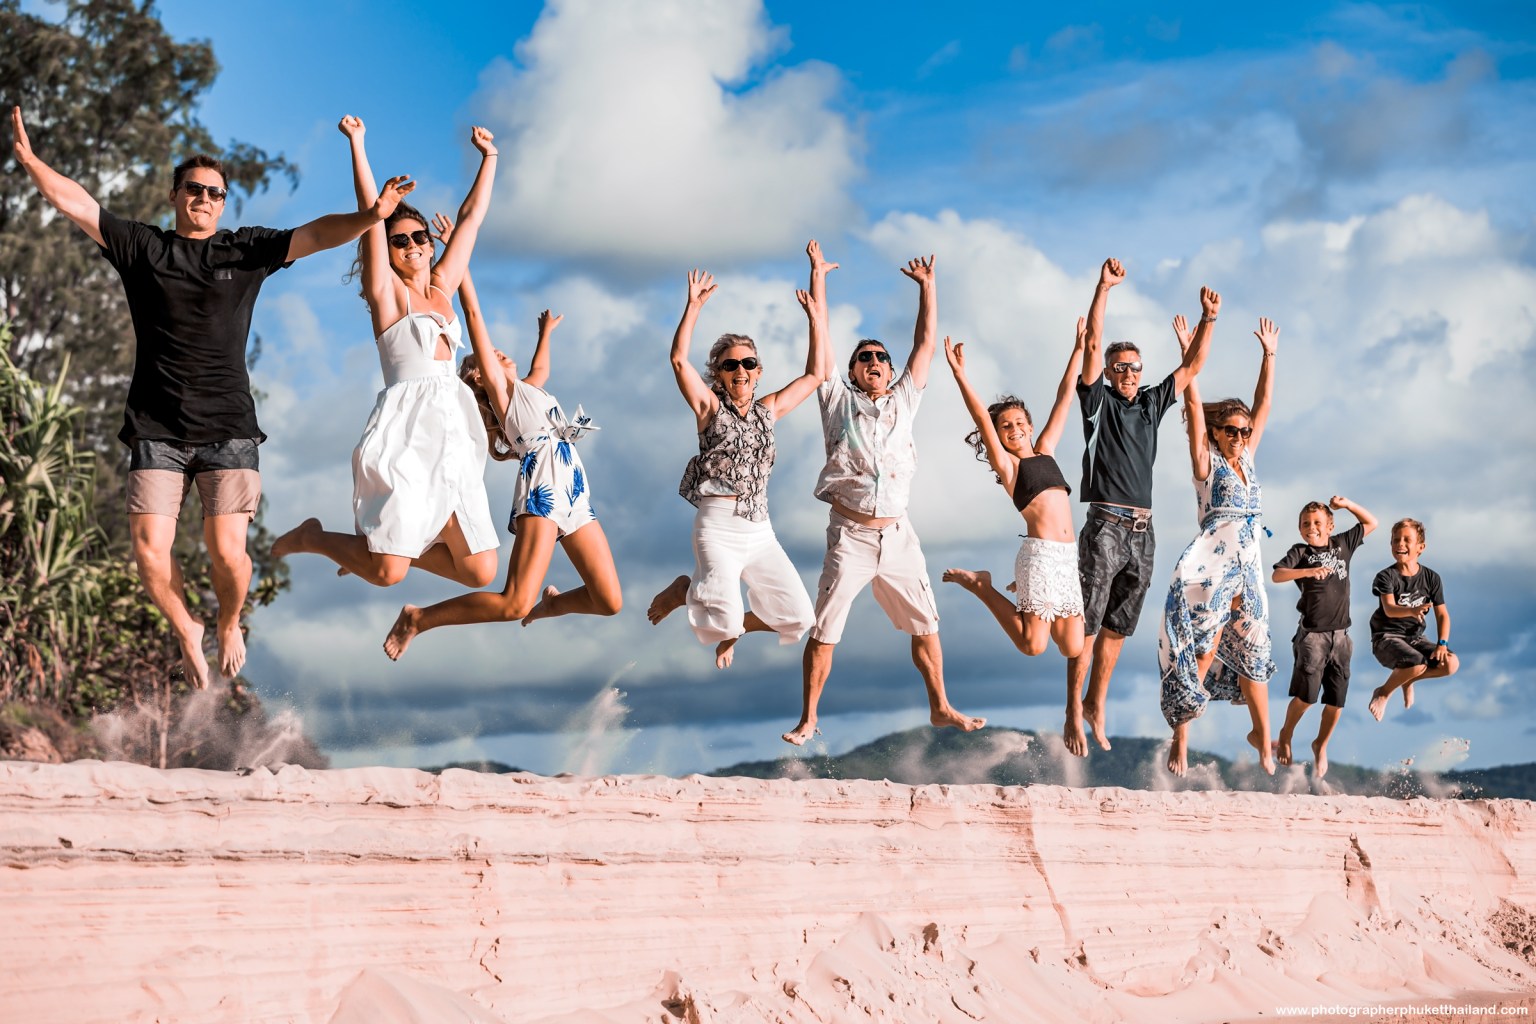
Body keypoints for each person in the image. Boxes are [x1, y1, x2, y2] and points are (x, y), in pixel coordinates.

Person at [10, 105, 407, 689]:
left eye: (215, 193)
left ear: (224, 204)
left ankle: (227, 621)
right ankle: (187, 627)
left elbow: (318, 235)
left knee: (226, 553)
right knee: (150, 553)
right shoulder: (145, 248)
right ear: (175, 195)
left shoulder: (243, 251)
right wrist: (31, 161)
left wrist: (371, 216)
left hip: (228, 429)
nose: (205, 199)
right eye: (194, 189)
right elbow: (79, 204)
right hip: (156, 430)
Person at [273, 116, 502, 595]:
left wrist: (490, 158)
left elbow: (471, 220)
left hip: (453, 428)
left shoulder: (443, 288)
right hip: (407, 427)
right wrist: (359, 146)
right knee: (386, 574)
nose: (413, 246)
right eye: (401, 240)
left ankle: (395, 549)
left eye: (420, 237)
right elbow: (370, 217)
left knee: (481, 572)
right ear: (390, 250)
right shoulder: (387, 296)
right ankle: (315, 537)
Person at [382, 215, 621, 659]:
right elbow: (473, 315)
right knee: (513, 603)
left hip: (574, 487)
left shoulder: (529, 388)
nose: (495, 354)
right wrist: (460, 255)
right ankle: (420, 618)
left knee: (609, 600)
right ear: (480, 380)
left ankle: (552, 605)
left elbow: (542, 370)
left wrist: (544, 333)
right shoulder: (503, 394)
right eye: (486, 359)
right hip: (544, 490)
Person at [782, 254, 985, 746]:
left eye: (880, 358)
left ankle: (940, 705)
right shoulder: (836, 398)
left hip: (898, 535)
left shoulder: (904, 400)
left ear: (890, 371)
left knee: (926, 625)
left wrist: (928, 286)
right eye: (864, 358)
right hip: (850, 535)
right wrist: (818, 284)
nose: (873, 362)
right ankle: (809, 717)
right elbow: (822, 347)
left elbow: (925, 344)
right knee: (824, 629)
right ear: (853, 370)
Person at [645, 242, 830, 669]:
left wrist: (816, 318)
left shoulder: (769, 410)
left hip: (759, 528)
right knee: (721, 619)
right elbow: (677, 360)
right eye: (730, 366)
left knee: (801, 616)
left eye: (748, 363)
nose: (741, 371)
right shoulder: (709, 409)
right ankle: (685, 592)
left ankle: (733, 627)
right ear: (719, 375)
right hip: (717, 526)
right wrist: (692, 308)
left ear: (759, 370)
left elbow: (816, 374)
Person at [1065, 258, 1219, 757]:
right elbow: (1091, 344)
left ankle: (1096, 704)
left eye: (1135, 367)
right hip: (1105, 524)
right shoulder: (1099, 404)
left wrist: (1208, 320)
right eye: (1121, 368)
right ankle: (1073, 708)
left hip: (1143, 532)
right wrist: (1103, 286)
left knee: (1118, 628)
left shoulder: (1150, 404)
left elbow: (1193, 367)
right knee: (1087, 626)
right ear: (1109, 373)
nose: (1129, 374)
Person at [1158, 316, 1280, 776]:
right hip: (1214, 563)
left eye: (1245, 431)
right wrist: (1189, 354)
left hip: (1248, 564)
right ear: (1217, 432)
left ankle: (1263, 740)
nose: (1240, 437)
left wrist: (1269, 355)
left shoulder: (1247, 458)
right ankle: (1181, 737)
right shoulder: (1207, 463)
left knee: (1254, 645)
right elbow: (1192, 405)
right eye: (1231, 429)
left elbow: (1264, 402)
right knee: (1204, 648)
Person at [940, 318, 1087, 660]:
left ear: (1031, 426)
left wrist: (1078, 349)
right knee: (1032, 645)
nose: (1014, 428)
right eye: (1005, 426)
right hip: (1040, 556)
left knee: (1073, 647)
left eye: (1020, 422)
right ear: (999, 435)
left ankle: (1026, 594)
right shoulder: (1009, 467)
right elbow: (980, 419)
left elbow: (1065, 398)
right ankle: (982, 585)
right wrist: (961, 374)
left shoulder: (1046, 449)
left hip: (1067, 559)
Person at [1272, 496, 1377, 778]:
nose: (1312, 527)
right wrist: (1308, 571)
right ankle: (1286, 735)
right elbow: (1278, 575)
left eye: (1318, 522)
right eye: (1306, 523)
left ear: (1330, 526)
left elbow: (1371, 522)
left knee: (1336, 702)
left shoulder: (1343, 544)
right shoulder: (1300, 551)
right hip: (1312, 638)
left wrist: (1348, 505)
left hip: (1342, 637)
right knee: (1306, 698)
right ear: (1300, 528)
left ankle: (1320, 744)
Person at [1366, 518, 1458, 721]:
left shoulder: (1432, 578)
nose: (1400, 544)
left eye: (1407, 540)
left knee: (1451, 664)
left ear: (1420, 547)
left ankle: (1407, 680)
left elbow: (1442, 614)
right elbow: (1389, 609)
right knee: (1415, 663)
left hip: (1415, 638)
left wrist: (1442, 644)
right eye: (1396, 539)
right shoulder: (1386, 576)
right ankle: (1383, 693)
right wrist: (1411, 610)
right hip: (1386, 637)